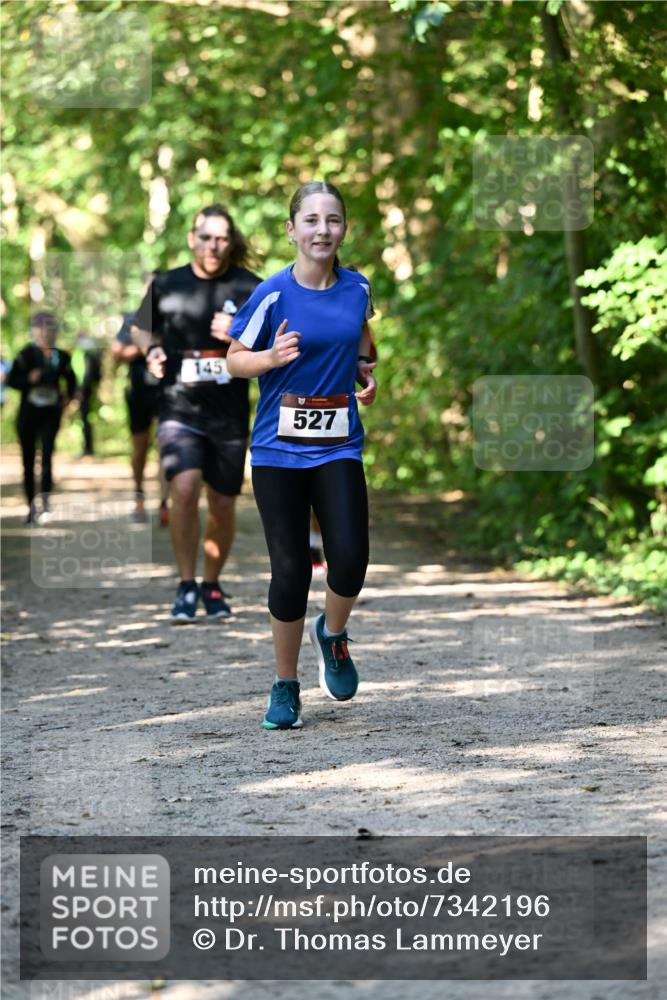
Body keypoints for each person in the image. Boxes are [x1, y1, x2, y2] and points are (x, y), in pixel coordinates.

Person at [227, 180, 377, 730]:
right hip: (278, 450)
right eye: (311, 220)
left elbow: (360, 341)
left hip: (338, 443)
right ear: (292, 230)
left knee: (351, 558)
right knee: (290, 570)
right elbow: (233, 359)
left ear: (344, 229)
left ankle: (332, 635)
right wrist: (269, 357)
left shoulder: (358, 288)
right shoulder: (272, 294)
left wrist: (365, 373)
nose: (322, 230)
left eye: (332, 220)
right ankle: (285, 684)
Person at [132, 204, 262, 622]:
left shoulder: (250, 287)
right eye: (205, 237)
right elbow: (140, 328)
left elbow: (272, 341)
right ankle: (186, 585)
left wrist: (238, 332)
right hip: (179, 407)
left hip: (229, 413)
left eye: (221, 238)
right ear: (192, 239)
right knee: (185, 489)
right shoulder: (167, 283)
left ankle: (212, 583)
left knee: (222, 503)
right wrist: (150, 350)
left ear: (230, 241)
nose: (213, 246)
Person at [7, 311, 77, 523]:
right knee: (28, 461)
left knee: (47, 458)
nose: (45, 333)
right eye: (41, 328)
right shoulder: (26, 354)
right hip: (28, 414)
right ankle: (31, 507)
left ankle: (46, 505)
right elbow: (12, 380)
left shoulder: (61, 356)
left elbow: (72, 380)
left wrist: (68, 397)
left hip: (50, 413)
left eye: (49, 328)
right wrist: (28, 379)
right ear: (35, 331)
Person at [112, 309, 169, 525]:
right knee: (140, 447)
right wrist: (145, 347)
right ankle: (139, 496)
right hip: (139, 392)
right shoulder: (133, 319)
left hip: (166, 391)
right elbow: (116, 353)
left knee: (165, 447)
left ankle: (164, 502)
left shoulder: (171, 313)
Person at [72, 334, 103, 457]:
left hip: (84, 391)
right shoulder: (86, 352)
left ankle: (88, 448)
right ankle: (87, 447)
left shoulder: (85, 353)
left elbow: (86, 373)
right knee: (85, 418)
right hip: (86, 390)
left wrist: (80, 390)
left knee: (85, 418)